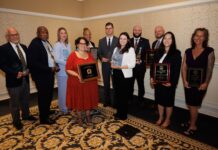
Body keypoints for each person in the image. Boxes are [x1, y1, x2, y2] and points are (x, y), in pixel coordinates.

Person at [0, 27, 36, 130]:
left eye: (16, 34)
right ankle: (16, 121)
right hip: (13, 80)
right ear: (7, 37)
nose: (15, 36)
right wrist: (15, 73)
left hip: (26, 78)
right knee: (15, 102)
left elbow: (29, 61)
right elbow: (2, 65)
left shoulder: (24, 47)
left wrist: (29, 69)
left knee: (25, 99)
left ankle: (26, 115)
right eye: (12, 35)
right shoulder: (3, 48)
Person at [181, 28, 215, 135]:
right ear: (193, 36)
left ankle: (193, 126)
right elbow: (184, 67)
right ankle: (191, 121)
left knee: (194, 104)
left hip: (200, 85)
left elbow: (210, 69)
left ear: (205, 38)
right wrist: (184, 81)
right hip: (188, 83)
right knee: (190, 104)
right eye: (197, 35)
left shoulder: (209, 51)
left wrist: (206, 83)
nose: (198, 38)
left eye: (202, 36)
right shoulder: (188, 51)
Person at [28, 26, 59, 125]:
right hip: (41, 76)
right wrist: (50, 68)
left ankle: (47, 110)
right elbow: (34, 63)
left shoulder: (46, 42)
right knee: (43, 96)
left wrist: (55, 64)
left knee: (49, 94)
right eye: (42, 32)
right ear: (38, 34)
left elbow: (51, 56)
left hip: (49, 74)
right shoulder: (34, 44)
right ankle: (43, 118)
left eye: (46, 32)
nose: (45, 34)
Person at [150, 32, 181, 128]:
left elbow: (177, 70)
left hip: (168, 84)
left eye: (169, 38)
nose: (167, 40)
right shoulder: (158, 52)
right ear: (162, 40)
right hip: (158, 82)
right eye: (165, 38)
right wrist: (152, 77)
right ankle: (160, 117)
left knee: (168, 102)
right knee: (159, 101)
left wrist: (172, 83)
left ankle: (167, 120)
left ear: (172, 41)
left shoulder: (176, 53)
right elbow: (152, 66)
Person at [66, 37, 99, 126]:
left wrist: (96, 73)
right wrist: (78, 75)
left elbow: (93, 67)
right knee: (79, 99)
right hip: (77, 82)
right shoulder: (72, 55)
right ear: (77, 44)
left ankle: (88, 116)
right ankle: (79, 117)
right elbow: (68, 69)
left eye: (84, 44)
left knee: (88, 99)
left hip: (89, 83)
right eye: (81, 43)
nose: (83, 45)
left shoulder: (89, 54)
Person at [111, 32, 136, 120]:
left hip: (124, 75)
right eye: (121, 38)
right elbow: (113, 59)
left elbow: (132, 64)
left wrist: (120, 67)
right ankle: (119, 112)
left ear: (128, 40)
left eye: (124, 39)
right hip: (116, 74)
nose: (122, 40)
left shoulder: (131, 49)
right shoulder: (116, 48)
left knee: (123, 96)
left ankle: (123, 115)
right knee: (117, 94)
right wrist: (112, 64)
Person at [98, 22, 118, 107]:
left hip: (115, 66)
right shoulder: (101, 41)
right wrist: (101, 58)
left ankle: (115, 102)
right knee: (106, 84)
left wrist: (114, 60)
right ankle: (107, 101)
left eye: (110, 28)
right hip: (105, 65)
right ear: (105, 30)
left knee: (115, 84)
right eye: (107, 28)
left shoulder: (117, 40)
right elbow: (99, 53)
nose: (108, 30)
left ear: (113, 29)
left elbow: (119, 53)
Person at [130, 25, 150, 104]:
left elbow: (148, 55)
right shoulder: (129, 41)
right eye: (135, 30)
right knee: (130, 84)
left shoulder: (145, 41)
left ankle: (140, 99)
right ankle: (130, 98)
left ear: (141, 31)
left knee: (140, 84)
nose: (137, 31)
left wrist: (142, 61)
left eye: (139, 30)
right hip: (130, 68)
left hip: (140, 67)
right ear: (133, 31)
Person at [53, 27, 71, 115]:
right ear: (59, 35)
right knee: (63, 90)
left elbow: (70, 57)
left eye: (65, 33)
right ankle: (63, 108)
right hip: (62, 72)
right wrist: (67, 63)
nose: (64, 35)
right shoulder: (57, 45)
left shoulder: (68, 44)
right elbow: (56, 59)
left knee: (68, 90)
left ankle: (68, 105)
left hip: (69, 71)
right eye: (61, 33)